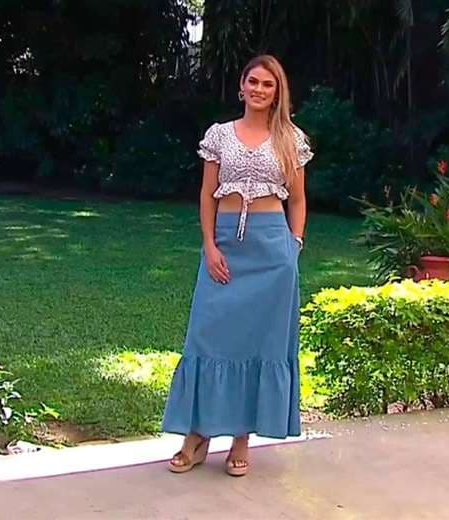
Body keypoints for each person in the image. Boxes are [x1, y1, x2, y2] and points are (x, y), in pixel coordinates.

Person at [161, 54, 313, 477]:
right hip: (226, 244)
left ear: (277, 93)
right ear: (241, 86)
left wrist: (293, 247)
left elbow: (298, 200)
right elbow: (206, 194)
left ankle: (241, 437)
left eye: (268, 84)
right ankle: (197, 434)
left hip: (272, 252)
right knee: (207, 335)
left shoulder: (291, 139)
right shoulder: (219, 135)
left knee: (257, 343)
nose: (259, 89)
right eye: (253, 81)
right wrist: (209, 245)